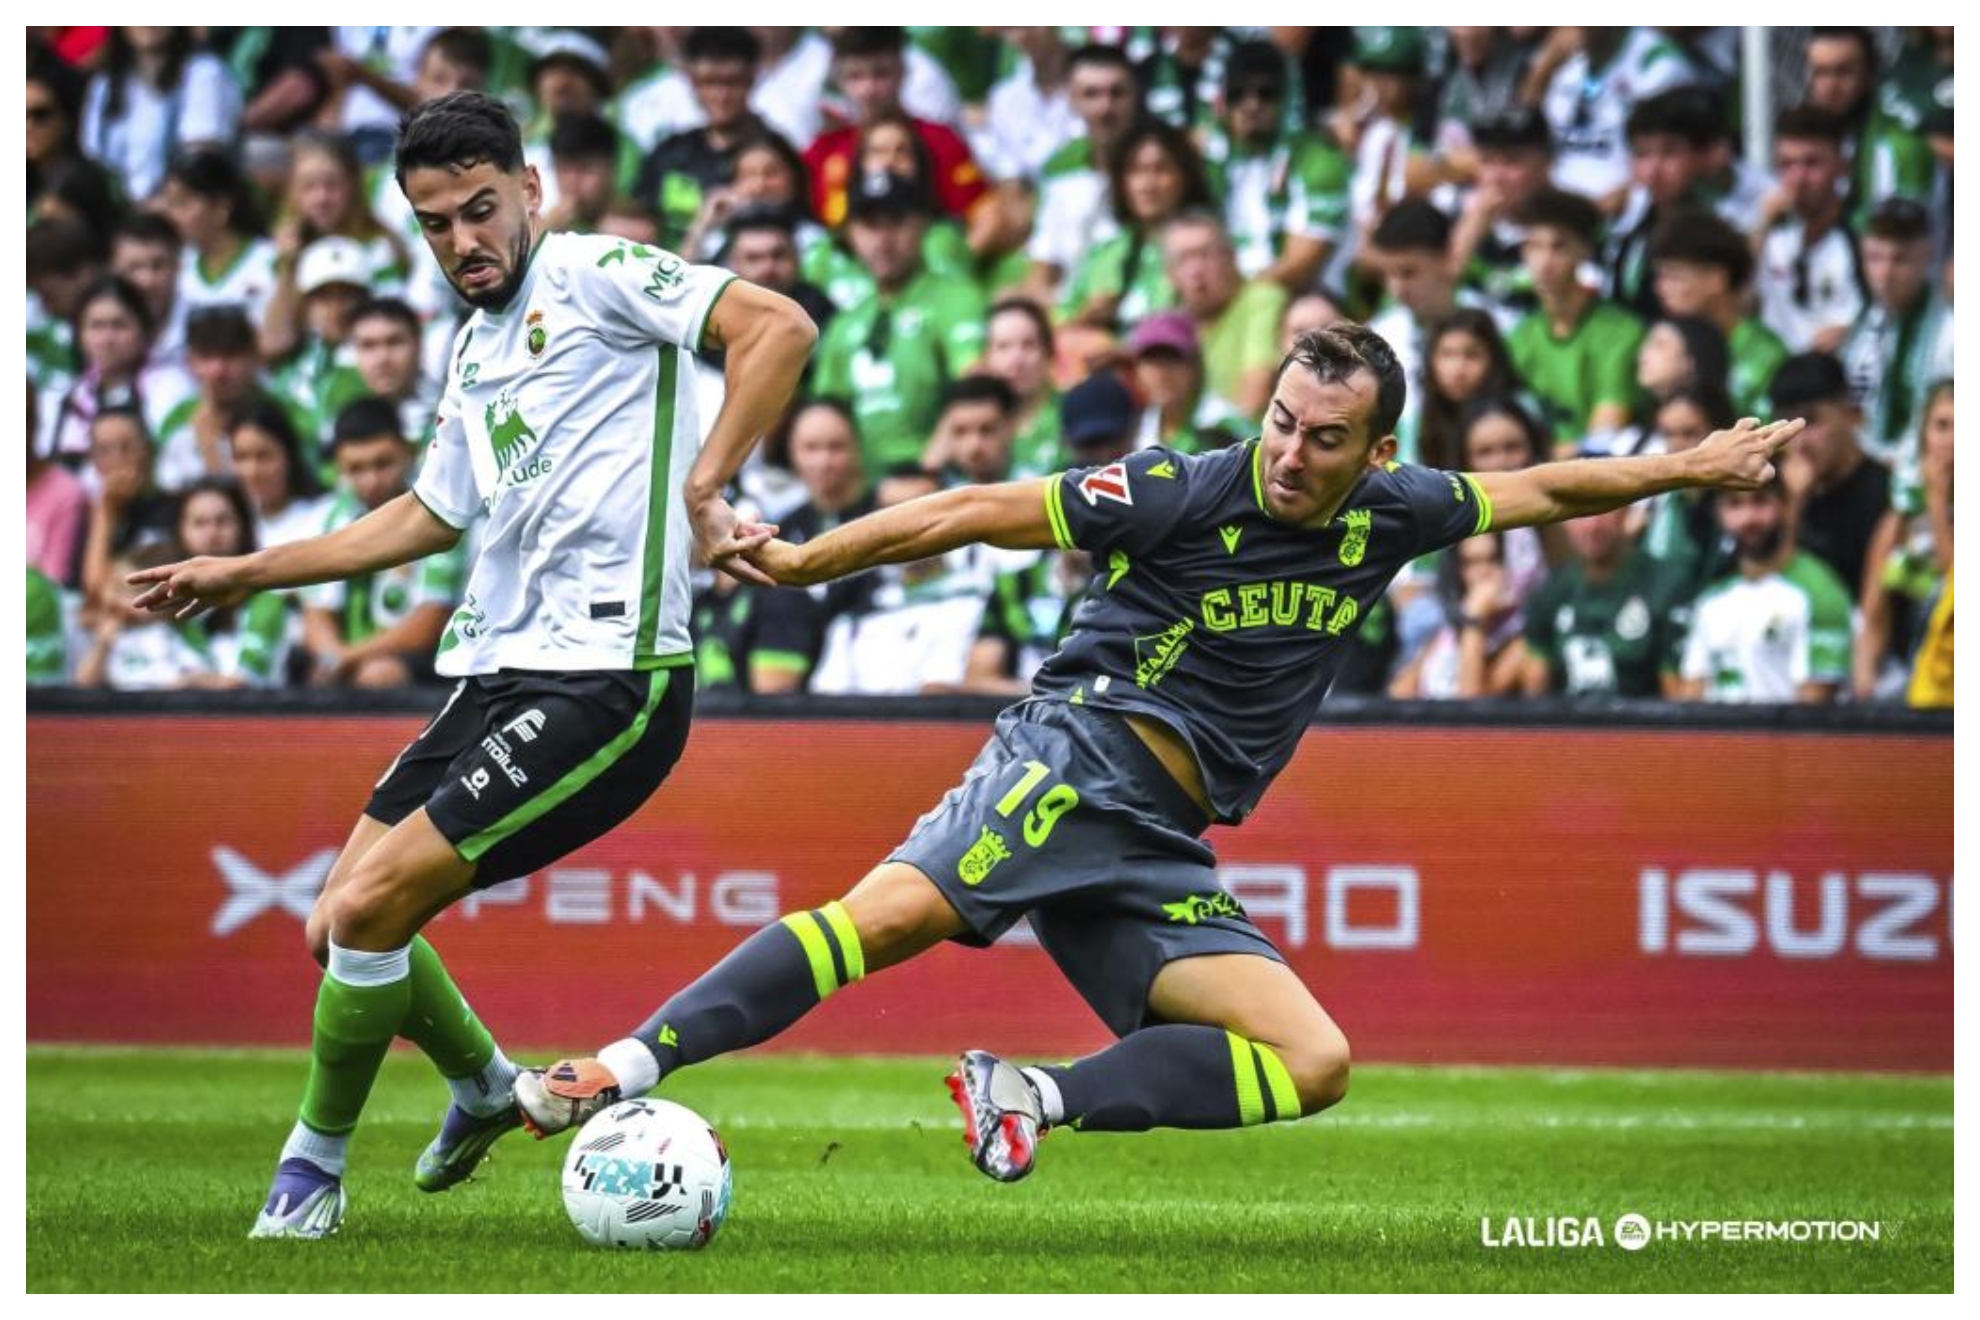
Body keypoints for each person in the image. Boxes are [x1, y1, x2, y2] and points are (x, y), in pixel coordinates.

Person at [511, 323, 1803, 1183]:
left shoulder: (1394, 516)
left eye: (1326, 438)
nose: (1293, 454)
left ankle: (1032, 1097)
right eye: (1284, 421)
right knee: (881, 922)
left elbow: (1550, 490)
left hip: (1152, 842)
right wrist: (803, 558)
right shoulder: (1186, 487)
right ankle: (613, 1071)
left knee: (1314, 1063)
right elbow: (978, 511)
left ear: (1381, 454)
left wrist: (1686, 469)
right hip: (1077, 755)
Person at [126, 90, 816, 1238]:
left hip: (612, 678)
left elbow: (777, 327)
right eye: (436, 223)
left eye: (481, 210)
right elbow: (423, 516)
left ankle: (312, 1170)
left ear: (531, 190)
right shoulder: (472, 348)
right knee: (332, 926)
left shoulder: (597, 272)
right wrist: (250, 567)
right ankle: (490, 1089)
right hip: (497, 674)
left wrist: (704, 489)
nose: (463, 241)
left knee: (368, 905)